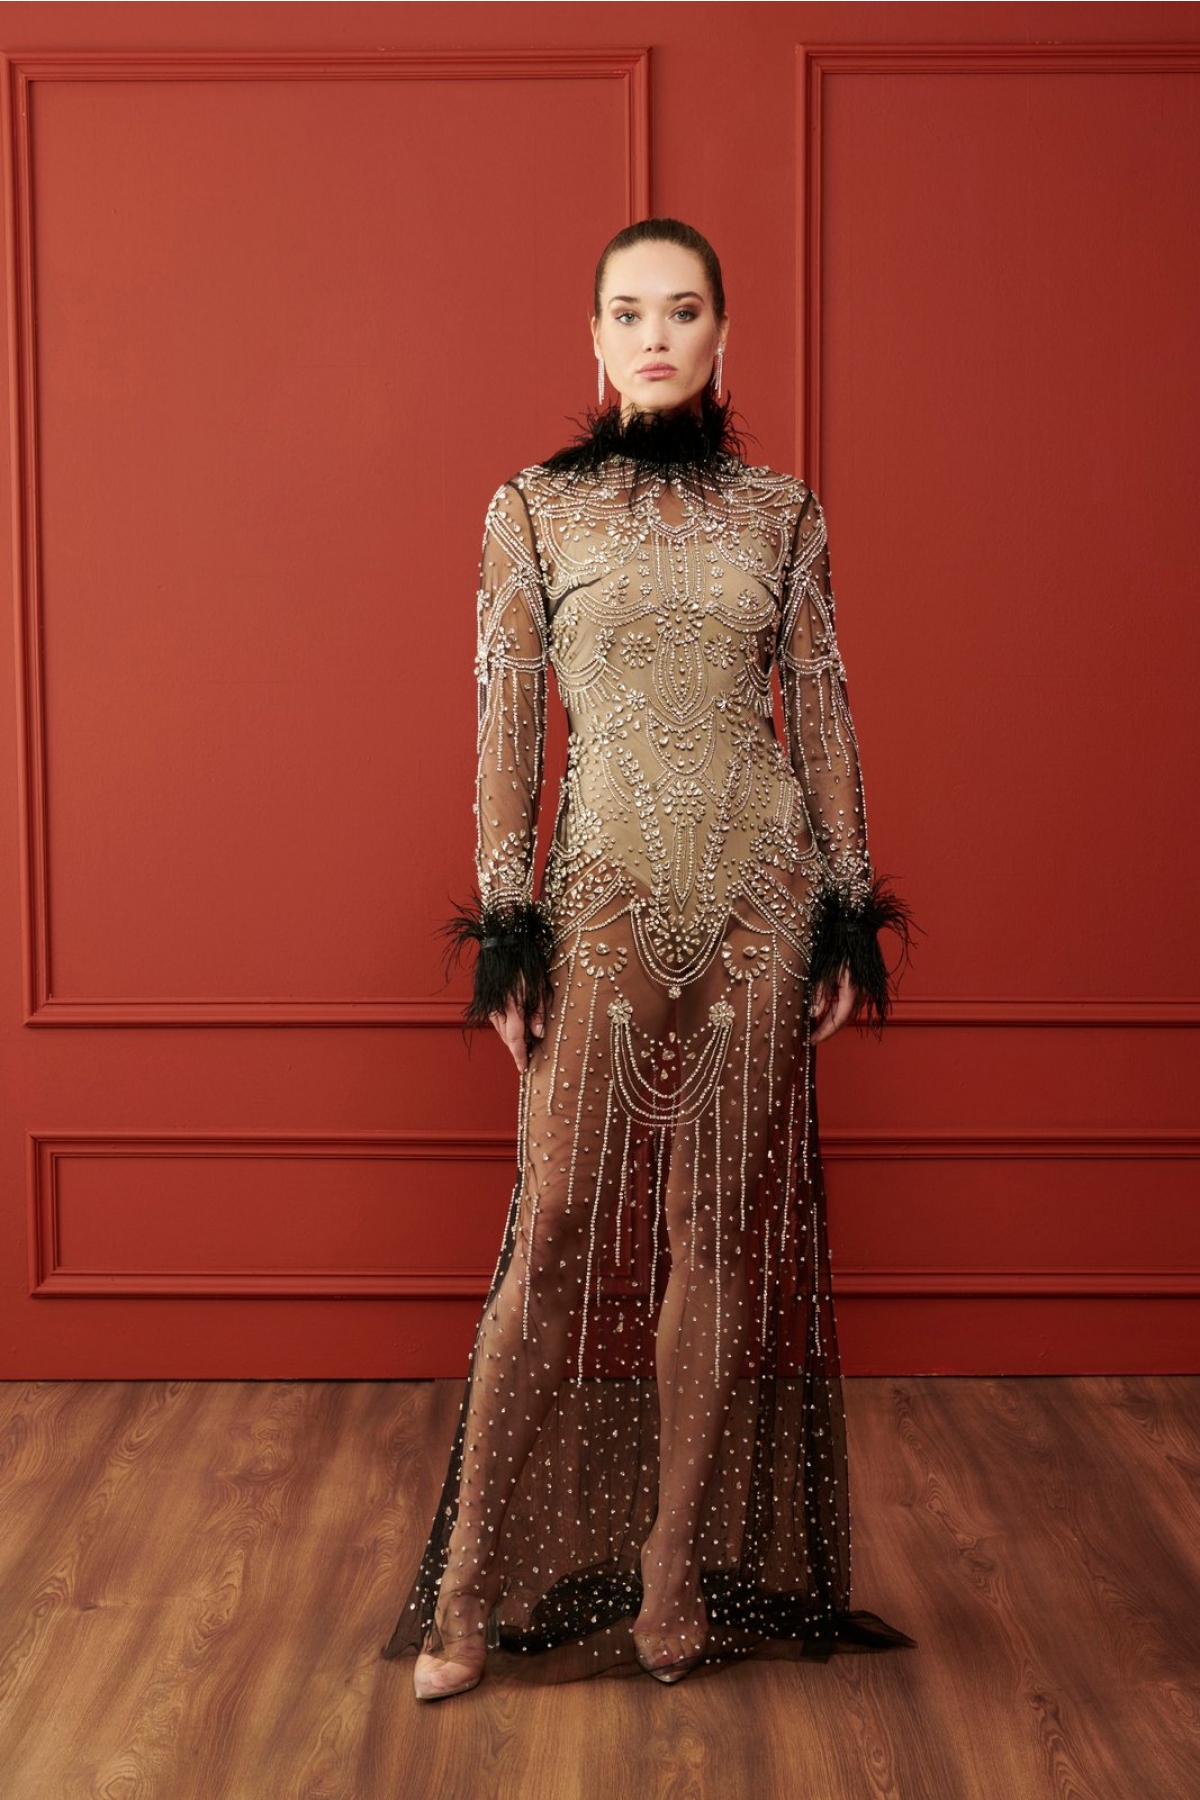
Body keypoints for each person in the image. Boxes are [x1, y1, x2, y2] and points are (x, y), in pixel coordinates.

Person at [381, 218, 919, 1699]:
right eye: (630, 312)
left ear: (724, 336)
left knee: (716, 1235)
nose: (657, 336)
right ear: (596, 340)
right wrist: (508, 929)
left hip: (760, 894)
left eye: (683, 311)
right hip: (602, 893)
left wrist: (847, 908)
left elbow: (821, 711)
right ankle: (467, 1591)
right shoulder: (531, 512)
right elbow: (506, 729)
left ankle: (673, 1579)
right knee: (554, 1226)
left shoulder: (785, 514)